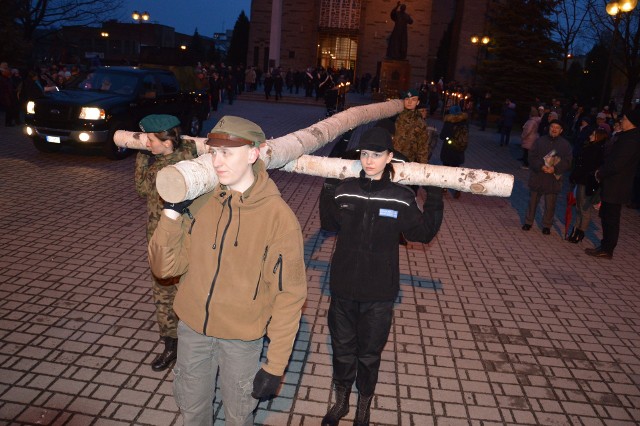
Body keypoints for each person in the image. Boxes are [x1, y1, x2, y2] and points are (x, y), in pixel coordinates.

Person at [148, 116, 307, 425]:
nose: (217, 162)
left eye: (227, 153)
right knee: (191, 409)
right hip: (193, 328)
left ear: (253, 154)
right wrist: (171, 214)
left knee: (238, 415)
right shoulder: (202, 201)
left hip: (241, 337)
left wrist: (275, 366)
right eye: (214, 152)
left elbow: (289, 295)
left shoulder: (279, 218)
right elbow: (164, 268)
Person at [319, 127, 443, 426]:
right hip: (343, 287)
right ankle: (342, 402)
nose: (369, 160)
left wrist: (436, 194)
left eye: (376, 155)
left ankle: (364, 404)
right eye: (364, 154)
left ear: (389, 158)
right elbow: (329, 223)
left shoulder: (400, 197)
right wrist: (327, 186)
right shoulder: (347, 189)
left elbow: (423, 234)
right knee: (343, 349)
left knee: (369, 354)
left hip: (379, 292)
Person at [135, 115, 198, 372]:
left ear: (167, 141)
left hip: (165, 239)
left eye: (150, 140)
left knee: (164, 294)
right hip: (186, 239)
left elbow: (140, 189)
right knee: (185, 291)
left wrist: (140, 155)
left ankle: (173, 346)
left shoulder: (161, 169)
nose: (147, 144)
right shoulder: (188, 155)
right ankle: (184, 345)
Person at [585, 110, 640, 259]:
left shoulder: (631, 140)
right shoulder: (628, 136)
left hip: (617, 185)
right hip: (613, 183)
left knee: (611, 218)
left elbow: (617, 164)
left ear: (631, 121)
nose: (621, 120)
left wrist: (600, 173)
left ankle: (607, 249)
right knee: (606, 216)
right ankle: (605, 245)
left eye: (624, 118)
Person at [522, 120, 572, 234]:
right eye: (552, 127)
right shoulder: (540, 141)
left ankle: (547, 225)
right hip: (538, 175)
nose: (554, 129)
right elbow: (532, 156)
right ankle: (528, 222)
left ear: (561, 130)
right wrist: (541, 166)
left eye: (557, 127)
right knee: (533, 201)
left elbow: (568, 161)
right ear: (549, 128)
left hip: (553, 178)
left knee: (550, 204)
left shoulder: (565, 145)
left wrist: (555, 168)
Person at [566, 128, 607, 243]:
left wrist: (575, 175)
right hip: (582, 180)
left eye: (593, 134)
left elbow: (586, 166)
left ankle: (580, 232)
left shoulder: (596, 150)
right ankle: (576, 230)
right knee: (580, 206)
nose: (590, 136)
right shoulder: (592, 147)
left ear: (599, 136)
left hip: (586, 182)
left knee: (584, 208)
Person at [394, 88, 430, 165]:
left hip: (408, 162)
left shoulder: (420, 123)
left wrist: (422, 166)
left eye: (413, 99)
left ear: (418, 102)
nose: (409, 102)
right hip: (391, 159)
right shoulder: (395, 117)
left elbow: (423, 147)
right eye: (407, 99)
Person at [439, 105, 469, 198]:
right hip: (458, 152)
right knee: (457, 171)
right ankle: (457, 190)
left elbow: (442, 136)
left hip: (448, 150)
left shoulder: (449, 122)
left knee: (446, 170)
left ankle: (444, 188)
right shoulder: (465, 123)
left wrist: (448, 137)